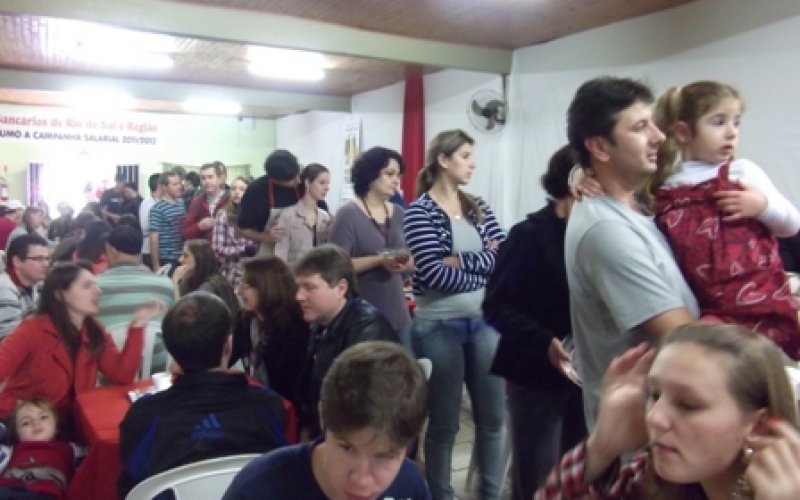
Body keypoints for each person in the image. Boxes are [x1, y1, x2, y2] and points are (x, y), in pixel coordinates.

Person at [564, 77, 699, 431]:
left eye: (653, 123)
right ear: (600, 147)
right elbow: (683, 338)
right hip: (647, 433)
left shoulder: (638, 205)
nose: (659, 136)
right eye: (640, 128)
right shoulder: (606, 230)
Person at [536, 322, 800, 499]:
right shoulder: (650, 477)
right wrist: (602, 447)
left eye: (688, 405)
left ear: (757, 426)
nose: (655, 417)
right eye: (654, 395)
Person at [647, 81, 800, 359]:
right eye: (718, 122)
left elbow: (791, 224)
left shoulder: (740, 172)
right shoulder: (666, 188)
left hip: (763, 298)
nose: (732, 132)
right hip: (712, 308)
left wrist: (761, 207)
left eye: (736, 122)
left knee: (776, 364)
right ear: (683, 132)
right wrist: (581, 177)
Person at [403, 129, 506, 500]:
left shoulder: (477, 206)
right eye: (465, 156)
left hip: (484, 323)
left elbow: (503, 257)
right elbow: (432, 274)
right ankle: (441, 495)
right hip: (439, 326)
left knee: (493, 419)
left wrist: (459, 259)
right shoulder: (419, 212)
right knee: (445, 423)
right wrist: (482, 265)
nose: (472, 164)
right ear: (443, 160)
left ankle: (490, 494)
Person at [483, 144, 586, 498]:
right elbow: (496, 306)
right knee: (537, 479)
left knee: (579, 476)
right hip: (536, 373)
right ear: (575, 181)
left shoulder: (595, 232)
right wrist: (544, 342)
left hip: (584, 374)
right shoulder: (530, 235)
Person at [118, 292, 288, 498]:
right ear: (228, 344)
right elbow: (279, 468)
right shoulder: (268, 405)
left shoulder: (145, 414)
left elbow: (131, 484)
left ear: (172, 352)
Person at [223, 341, 431, 500]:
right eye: (346, 448)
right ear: (323, 418)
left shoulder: (410, 486)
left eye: (384, 457)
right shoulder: (257, 491)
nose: (361, 480)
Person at [0, 261, 163, 426]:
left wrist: (138, 325)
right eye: (87, 286)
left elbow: (122, 375)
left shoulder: (94, 330)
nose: (98, 291)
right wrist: (19, 411)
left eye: (95, 285)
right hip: (35, 429)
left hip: (75, 423)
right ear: (60, 295)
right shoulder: (32, 331)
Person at [293, 244, 399, 438]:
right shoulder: (321, 323)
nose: (298, 296)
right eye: (298, 287)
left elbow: (361, 409)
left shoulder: (368, 329)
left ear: (341, 288)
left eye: (309, 287)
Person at [330, 149, 414, 332]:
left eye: (398, 175)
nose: (396, 180)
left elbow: (412, 258)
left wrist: (406, 263)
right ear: (370, 175)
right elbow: (335, 266)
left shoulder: (399, 213)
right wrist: (379, 260)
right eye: (390, 174)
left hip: (398, 312)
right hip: (363, 315)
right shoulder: (348, 214)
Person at [96, 225, 175, 374]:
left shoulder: (92, 287)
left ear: (112, 251)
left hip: (106, 370)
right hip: (156, 368)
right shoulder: (165, 284)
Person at [232, 257, 309, 406]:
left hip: (286, 406)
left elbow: (293, 386)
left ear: (267, 287)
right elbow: (228, 355)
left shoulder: (294, 329)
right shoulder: (245, 320)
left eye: (246, 286)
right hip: (258, 400)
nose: (238, 292)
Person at [238, 149, 327, 256]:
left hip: (305, 253)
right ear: (275, 179)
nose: (298, 180)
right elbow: (242, 229)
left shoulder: (305, 180)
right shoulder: (257, 190)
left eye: (298, 174)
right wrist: (266, 237)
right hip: (272, 254)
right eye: (292, 179)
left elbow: (323, 213)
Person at [0, 398, 82, 499]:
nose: (36, 423)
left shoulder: (69, 448)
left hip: (44, 493)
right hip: (7, 490)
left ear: (57, 426)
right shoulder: (11, 450)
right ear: (17, 434)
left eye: (43, 417)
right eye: (26, 423)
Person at [274, 163, 333, 267]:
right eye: (322, 183)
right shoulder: (288, 215)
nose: (327, 188)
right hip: (293, 273)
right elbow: (280, 254)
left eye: (328, 183)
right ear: (307, 183)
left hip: (318, 273)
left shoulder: (325, 217)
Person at [173, 239, 239, 317]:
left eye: (186, 256)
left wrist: (175, 282)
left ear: (199, 259)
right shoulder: (188, 281)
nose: (180, 260)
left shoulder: (210, 287)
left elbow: (183, 318)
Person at [0, 234, 49, 338]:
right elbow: (12, 339)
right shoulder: (5, 289)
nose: (46, 264)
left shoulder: (33, 283)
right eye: (38, 259)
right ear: (17, 261)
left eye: (47, 258)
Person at [212, 175, 254, 289]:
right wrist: (243, 250)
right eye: (233, 189)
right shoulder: (222, 215)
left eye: (242, 189)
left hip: (252, 272)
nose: (237, 192)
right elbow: (217, 249)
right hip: (230, 273)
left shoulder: (256, 215)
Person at [148, 170, 185, 274]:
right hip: (167, 258)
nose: (179, 187)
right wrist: (156, 266)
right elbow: (153, 238)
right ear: (164, 187)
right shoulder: (157, 209)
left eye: (179, 183)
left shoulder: (181, 203)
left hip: (182, 256)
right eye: (174, 184)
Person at [182, 161, 229, 243]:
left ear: (220, 179)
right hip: (203, 249)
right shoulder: (196, 202)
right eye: (203, 178)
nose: (206, 181)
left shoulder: (230, 200)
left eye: (210, 177)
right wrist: (199, 226)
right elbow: (186, 233)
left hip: (227, 249)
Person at [139, 174, 161, 269]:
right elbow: (146, 227)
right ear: (160, 186)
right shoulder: (148, 203)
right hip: (149, 249)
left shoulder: (155, 201)